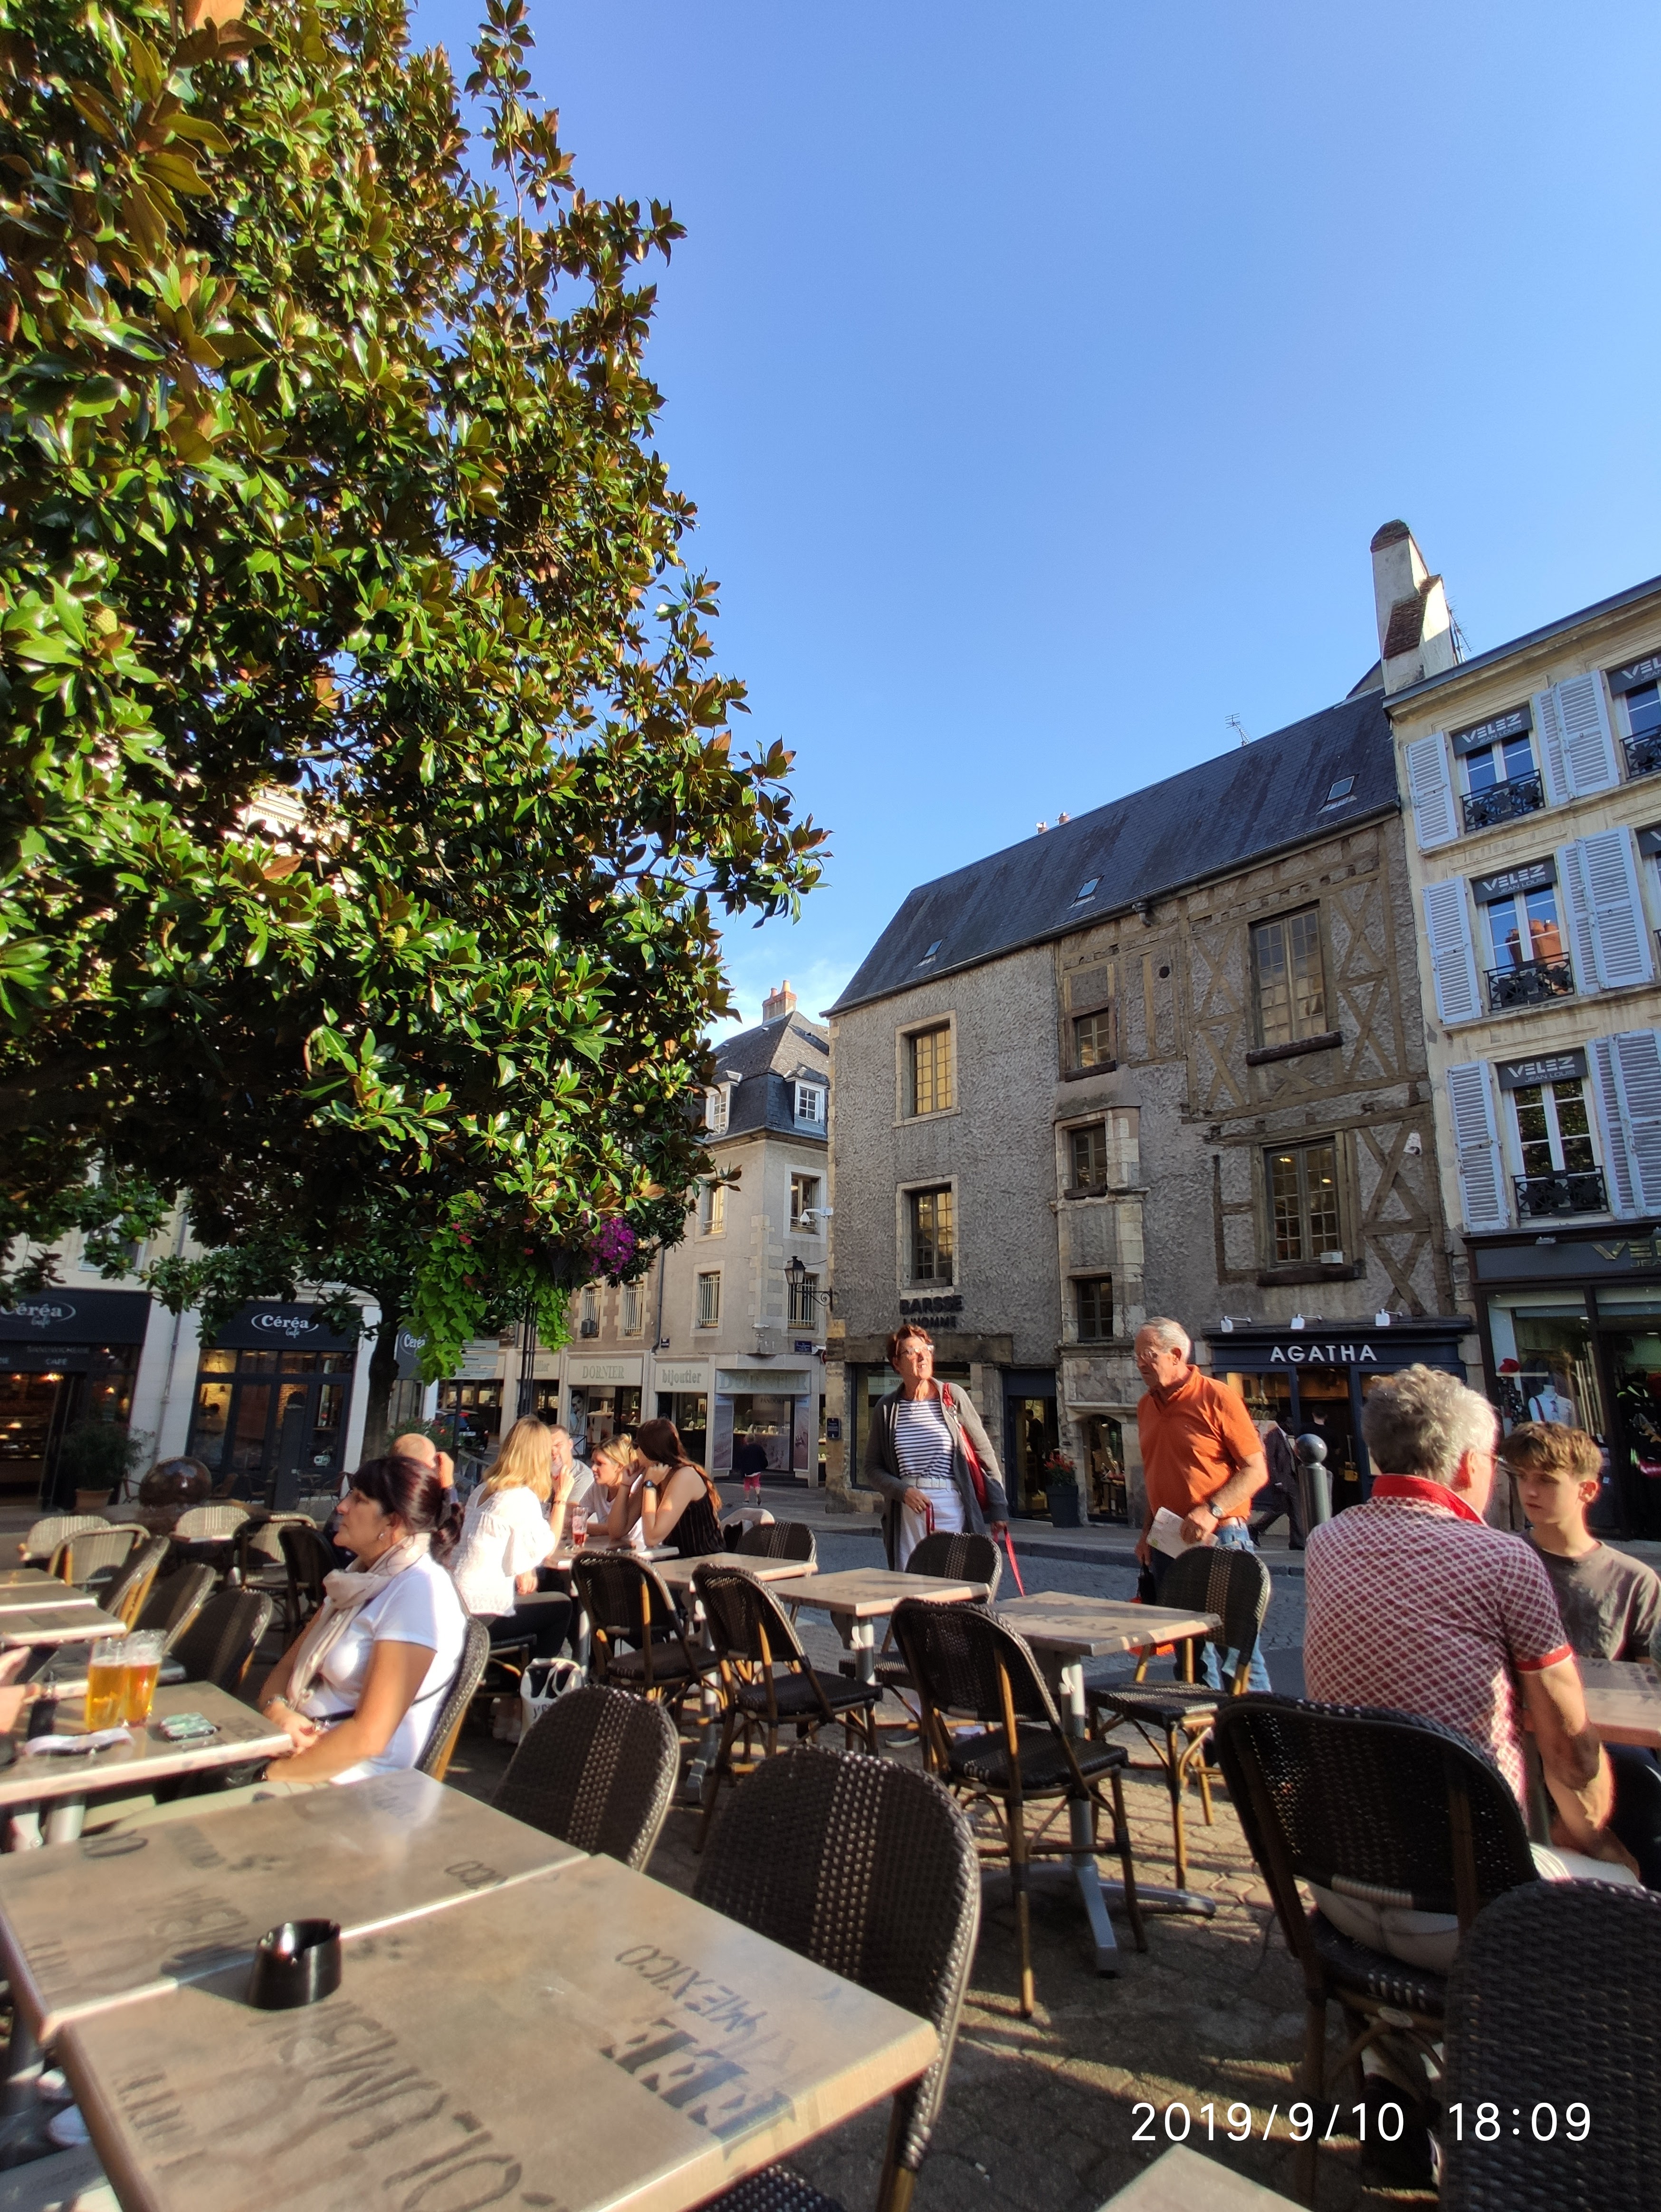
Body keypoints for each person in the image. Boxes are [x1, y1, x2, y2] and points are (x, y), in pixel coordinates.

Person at [1304, 1366, 1635, 1970]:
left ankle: (1395, 2028)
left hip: (1340, 1885)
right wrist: (1597, 1840)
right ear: (1466, 1466)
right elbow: (1568, 1749)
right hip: (1472, 1908)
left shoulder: (1327, 1542)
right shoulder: (1504, 1559)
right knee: (1629, 1883)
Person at [1503, 1419, 1661, 1888]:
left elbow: (1648, 1691)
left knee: (1645, 1805)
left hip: (1604, 1745)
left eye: (1546, 1480)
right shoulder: (1504, 1564)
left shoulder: (1634, 1581)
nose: (1530, 1491)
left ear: (1587, 1490)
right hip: (1520, 1740)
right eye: (1522, 1477)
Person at [256, 1453, 468, 1784]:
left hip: (353, 1784)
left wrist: (268, 1775)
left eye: (359, 1499)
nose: (342, 1507)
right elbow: (285, 1668)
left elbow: (369, 1738)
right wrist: (277, 1710)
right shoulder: (357, 1580)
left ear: (392, 1522)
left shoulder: (418, 1592)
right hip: (295, 1752)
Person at [1133, 1318, 1271, 1691]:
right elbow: (1158, 1476)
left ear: (1177, 1355)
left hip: (1220, 1539)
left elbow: (1256, 1471)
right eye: (1137, 1356)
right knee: (1189, 1657)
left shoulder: (1217, 1397)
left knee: (1237, 1655)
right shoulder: (1145, 1406)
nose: (1140, 1364)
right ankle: (1203, 1727)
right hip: (1168, 1542)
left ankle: (1255, 1726)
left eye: (1148, 1355)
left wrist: (1212, 1510)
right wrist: (1146, 1535)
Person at [862, 1325, 1008, 1570]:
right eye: (912, 1352)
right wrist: (902, 1491)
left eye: (926, 1349)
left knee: (951, 1578)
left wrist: (998, 1507)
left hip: (950, 1506)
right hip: (908, 1513)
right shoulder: (886, 1409)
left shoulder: (952, 1397)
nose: (922, 1356)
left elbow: (983, 1452)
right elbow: (872, 1468)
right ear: (897, 1363)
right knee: (911, 1581)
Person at [449, 1416, 574, 1659]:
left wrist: (524, 1570)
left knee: (536, 1602)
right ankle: (536, 1679)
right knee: (562, 1607)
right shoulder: (520, 1497)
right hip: (483, 1613)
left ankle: (514, 1672)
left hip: (458, 1605)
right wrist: (561, 1498)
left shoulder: (483, 1490)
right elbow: (546, 1547)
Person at [627, 1419, 725, 1557]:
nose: (635, 1450)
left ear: (650, 1449)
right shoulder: (652, 1474)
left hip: (704, 1561)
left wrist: (650, 1486)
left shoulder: (685, 1476)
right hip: (677, 1560)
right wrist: (625, 1484)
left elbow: (652, 1538)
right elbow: (619, 1530)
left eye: (637, 1444)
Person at [1247, 1414, 1305, 1549]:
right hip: (1283, 1480)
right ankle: (1256, 1528)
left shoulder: (1286, 1437)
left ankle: (1297, 1542)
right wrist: (1277, 1480)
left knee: (1294, 1510)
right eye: (1289, 1423)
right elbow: (1271, 1460)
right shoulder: (1273, 1436)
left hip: (1291, 1479)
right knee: (1282, 1509)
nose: (1292, 1426)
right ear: (1282, 1423)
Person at [391, 1432, 455, 1489]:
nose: (435, 1465)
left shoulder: (391, 1487)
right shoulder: (416, 1494)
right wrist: (447, 1486)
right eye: (433, 1460)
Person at [733, 1429, 770, 1503]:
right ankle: (758, 1494)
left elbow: (740, 1460)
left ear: (747, 1440)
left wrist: (739, 1468)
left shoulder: (744, 1449)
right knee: (756, 1482)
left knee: (747, 1484)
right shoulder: (759, 1448)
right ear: (754, 1439)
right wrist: (764, 1466)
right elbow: (763, 1458)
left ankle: (747, 1499)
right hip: (757, 1469)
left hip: (747, 1470)